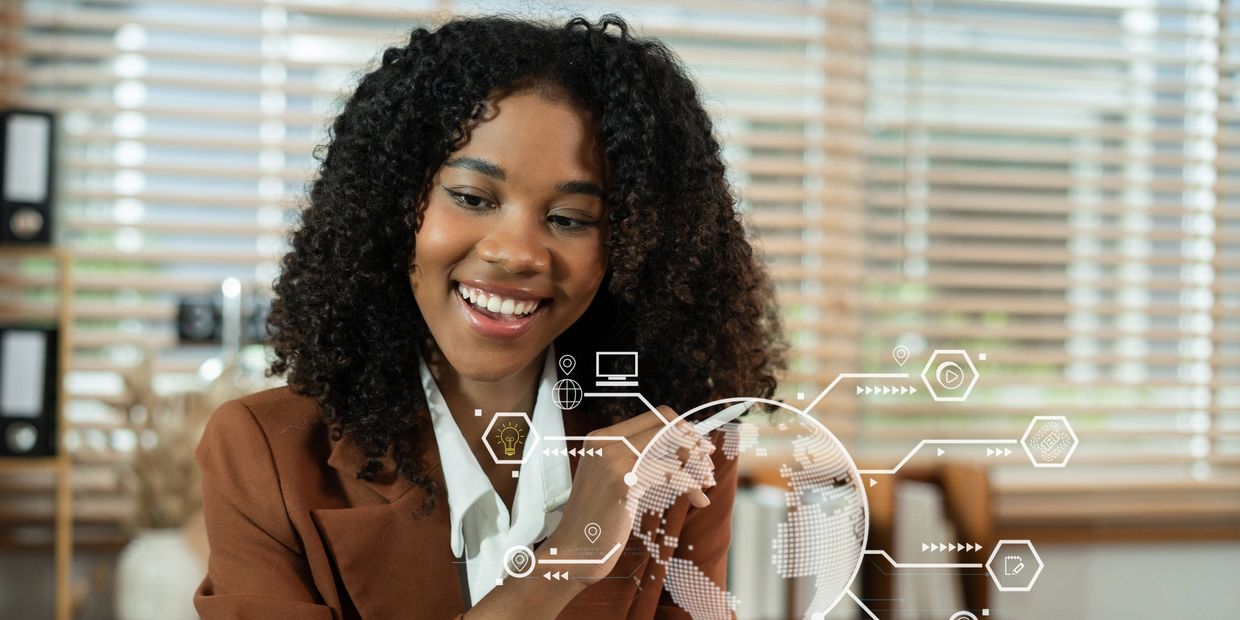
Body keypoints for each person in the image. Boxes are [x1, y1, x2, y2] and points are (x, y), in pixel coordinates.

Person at [192, 13, 786, 619]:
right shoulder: (265, 452)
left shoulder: (677, 447)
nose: (517, 253)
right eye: (473, 199)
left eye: (572, 218)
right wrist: (563, 564)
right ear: (395, 203)